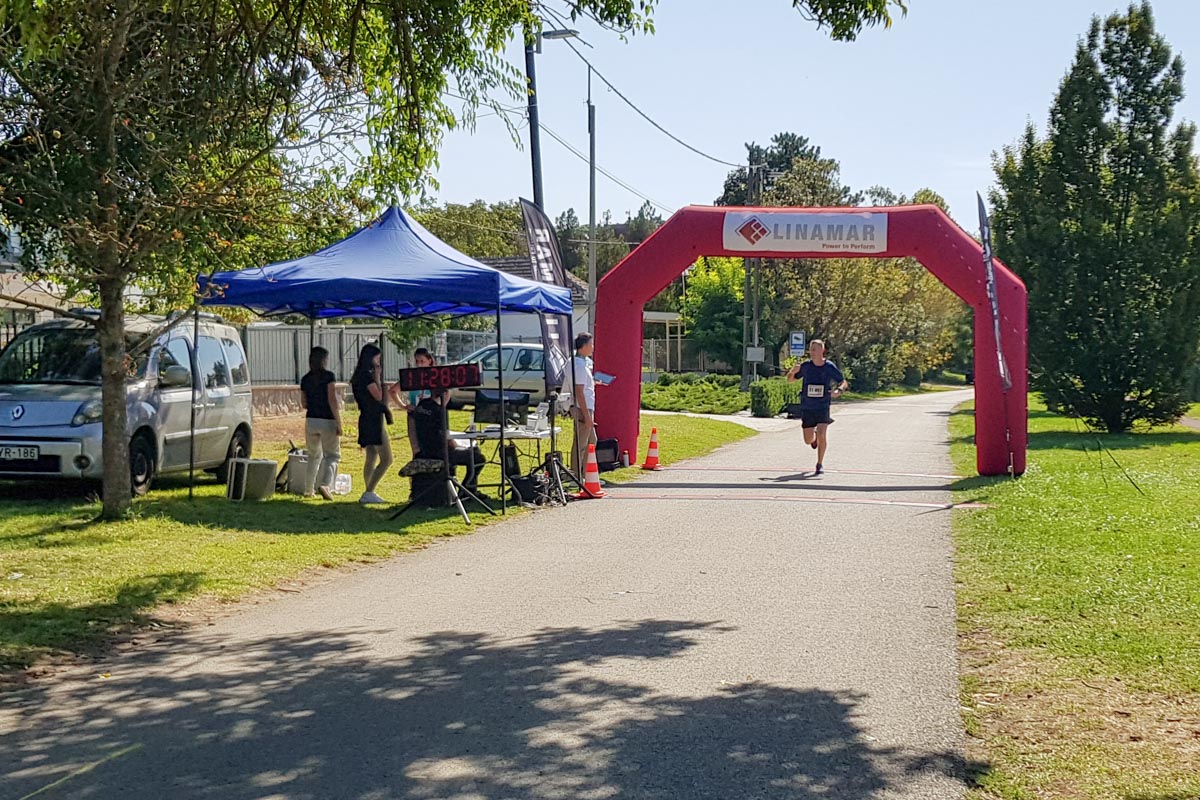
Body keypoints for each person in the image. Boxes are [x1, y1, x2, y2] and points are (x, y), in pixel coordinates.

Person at [350, 343, 404, 504]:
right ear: (370, 358)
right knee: (387, 459)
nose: (379, 362)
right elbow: (379, 396)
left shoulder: (357, 376)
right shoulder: (366, 377)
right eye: (377, 358)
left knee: (371, 456)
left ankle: (369, 492)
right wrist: (378, 377)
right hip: (373, 419)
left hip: (366, 418)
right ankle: (369, 491)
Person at [786, 339, 848, 476]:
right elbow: (790, 380)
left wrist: (839, 390)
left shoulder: (829, 366)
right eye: (811, 349)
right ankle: (813, 439)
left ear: (822, 351)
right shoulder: (806, 366)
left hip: (823, 405)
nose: (812, 352)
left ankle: (819, 464)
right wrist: (792, 371)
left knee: (822, 433)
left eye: (815, 349)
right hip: (808, 406)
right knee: (808, 440)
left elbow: (843, 381)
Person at [411, 389, 484, 491]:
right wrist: (460, 445)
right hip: (440, 453)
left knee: (472, 452)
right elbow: (447, 439)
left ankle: (468, 490)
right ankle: (467, 491)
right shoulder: (440, 411)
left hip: (424, 450)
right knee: (478, 457)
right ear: (445, 394)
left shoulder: (422, 405)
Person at [298, 346, 341, 500]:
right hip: (327, 419)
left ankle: (308, 490)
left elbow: (304, 403)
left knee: (313, 455)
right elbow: (332, 400)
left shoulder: (305, 379)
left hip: (311, 420)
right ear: (324, 360)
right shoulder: (329, 376)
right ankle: (326, 484)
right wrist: (339, 422)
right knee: (332, 456)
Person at [570, 332, 597, 475]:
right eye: (591, 344)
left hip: (584, 407)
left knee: (592, 440)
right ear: (584, 346)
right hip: (582, 408)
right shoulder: (579, 365)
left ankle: (587, 474)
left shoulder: (579, 363)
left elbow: (582, 386)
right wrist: (587, 417)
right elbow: (579, 391)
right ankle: (575, 475)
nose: (593, 347)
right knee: (581, 443)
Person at [402, 348, 435, 454]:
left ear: (429, 360)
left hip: (431, 416)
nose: (419, 365)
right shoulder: (412, 376)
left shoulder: (435, 375)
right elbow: (393, 391)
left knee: (430, 446)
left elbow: (446, 393)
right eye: (417, 361)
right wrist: (404, 406)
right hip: (414, 415)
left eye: (422, 361)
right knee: (417, 449)